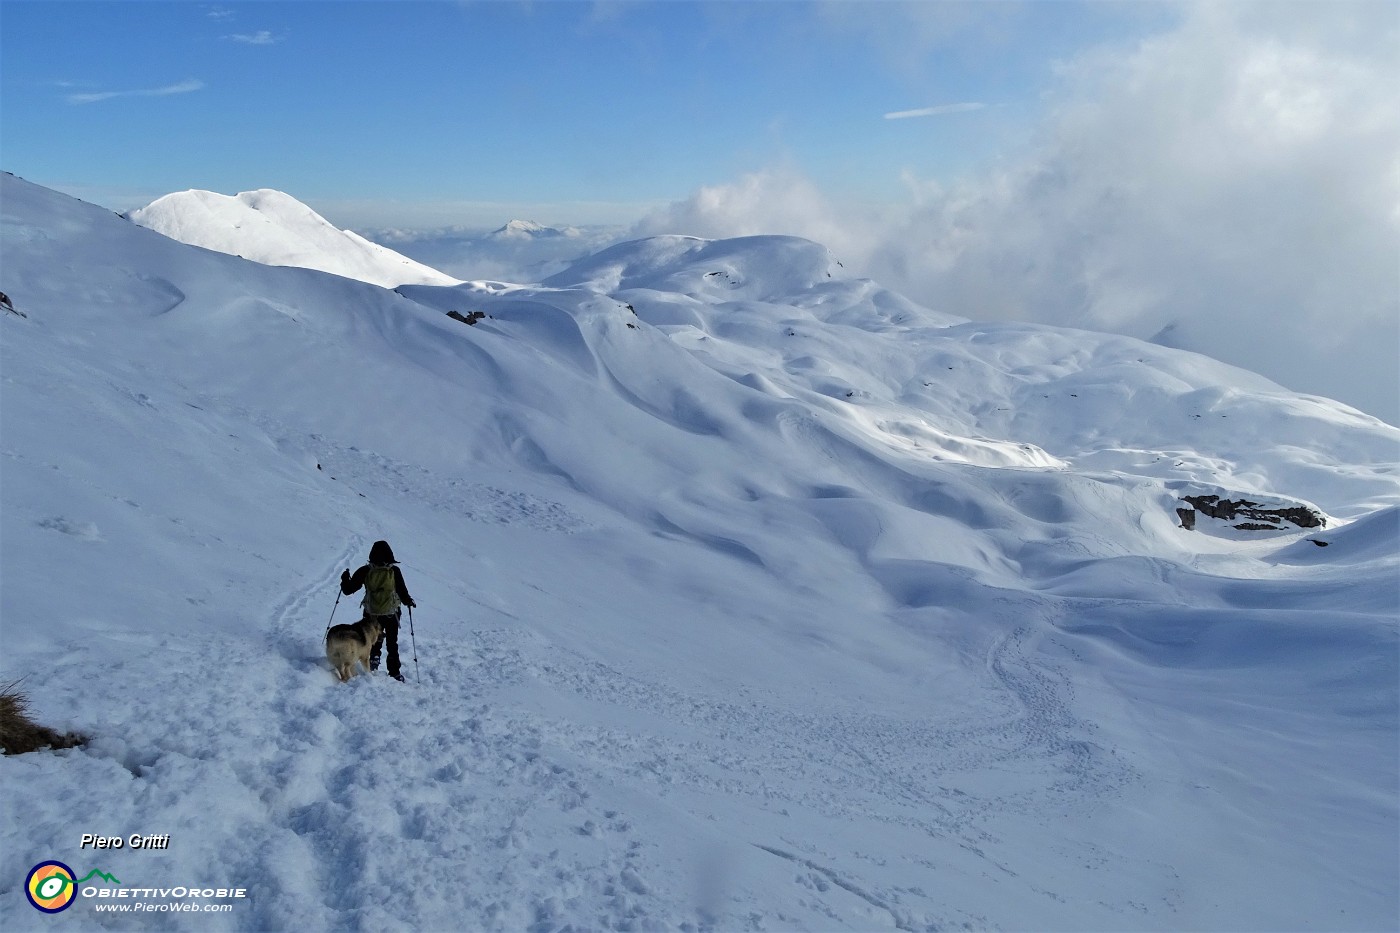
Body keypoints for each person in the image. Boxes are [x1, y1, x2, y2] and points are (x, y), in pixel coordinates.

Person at [341, 540, 416, 682]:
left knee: (371, 641)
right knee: (392, 643)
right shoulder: (394, 571)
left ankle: (373, 661)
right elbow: (402, 591)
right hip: (391, 613)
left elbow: (348, 590)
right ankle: (394, 673)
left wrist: (345, 579)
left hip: (371, 614)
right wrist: (408, 601)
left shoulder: (365, 570)